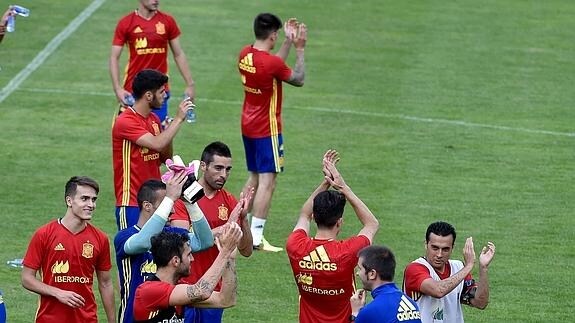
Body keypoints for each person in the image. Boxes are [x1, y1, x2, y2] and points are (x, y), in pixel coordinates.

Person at [238, 13, 307, 251]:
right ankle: (256, 236)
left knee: (254, 177)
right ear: (273, 35)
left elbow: (272, 66)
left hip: (247, 123)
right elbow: (298, 79)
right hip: (267, 128)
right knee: (268, 182)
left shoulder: (245, 54)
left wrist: (286, 42)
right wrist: (299, 49)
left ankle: (239, 225)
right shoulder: (271, 64)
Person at [286, 150, 379, 323]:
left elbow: (304, 215)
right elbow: (371, 224)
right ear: (339, 222)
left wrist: (325, 183)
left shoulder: (295, 245)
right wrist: (343, 187)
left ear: (315, 217)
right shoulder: (347, 252)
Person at [170, 141, 254, 323]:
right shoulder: (183, 199)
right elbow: (180, 241)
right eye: (218, 168)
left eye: (228, 169)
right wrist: (222, 230)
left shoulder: (230, 201)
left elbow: (246, 251)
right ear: (203, 166)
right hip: (185, 286)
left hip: (214, 290)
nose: (223, 175)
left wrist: (244, 219)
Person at [114, 171, 214, 323]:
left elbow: (205, 241)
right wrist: (170, 198)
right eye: (166, 204)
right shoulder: (124, 237)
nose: (172, 210)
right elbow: (145, 242)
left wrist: (189, 202)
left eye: (172, 205)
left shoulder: (171, 235)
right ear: (147, 206)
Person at [21, 176, 115, 323]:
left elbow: (106, 283)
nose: (91, 204)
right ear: (69, 201)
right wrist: (58, 293)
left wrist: (112, 321)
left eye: (93, 199)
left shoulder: (100, 238)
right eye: (84, 198)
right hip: (49, 319)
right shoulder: (44, 234)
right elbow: (27, 278)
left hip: (87, 319)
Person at [112, 68, 192, 230]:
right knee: (134, 252)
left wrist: (168, 130)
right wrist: (178, 119)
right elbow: (156, 144)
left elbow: (164, 156)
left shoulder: (154, 119)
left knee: (157, 254)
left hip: (156, 201)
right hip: (132, 202)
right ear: (148, 95)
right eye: (162, 92)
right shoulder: (125, 121)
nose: (165, 95)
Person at [132, 223, 243, 322]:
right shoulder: (149, 290)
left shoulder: (178, 289)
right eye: (188, 254)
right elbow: (201, 291)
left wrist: (229, 258)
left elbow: (226, 300)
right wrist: (224, 253)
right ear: (175, 261)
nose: (192, 259)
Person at [109, 0, 196, 123]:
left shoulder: (167, 21)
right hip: (134, 92)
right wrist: (117, 89)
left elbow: (178, 53)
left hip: (159, 92)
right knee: (129, 136)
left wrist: (190, 84)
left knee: (162, 136)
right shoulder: (126, 23)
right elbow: (114, 57)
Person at [403, 221, 496, 323]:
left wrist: (483, 268)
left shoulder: (458, 267)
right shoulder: (415, 269)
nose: (439, 254)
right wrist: (468, 266)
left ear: (452, 248)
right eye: (435, 248)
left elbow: (480, 303)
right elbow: (438, 291)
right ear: (426, 245)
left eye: (445, 249)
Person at [350, 245, 421, 323]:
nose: (357, 273)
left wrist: (355, 313)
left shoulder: (371, 311)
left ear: (372, 274)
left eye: (360, 269)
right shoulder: (411, 303)